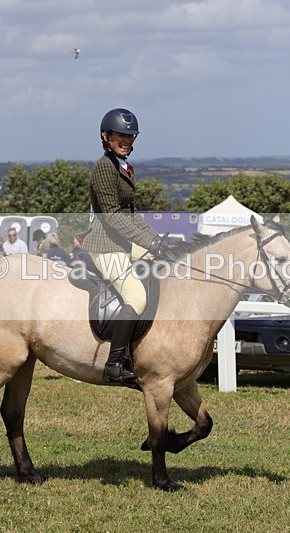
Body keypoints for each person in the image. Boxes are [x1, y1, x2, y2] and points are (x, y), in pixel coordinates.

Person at [82, 107, 178, 385]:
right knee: (136, 296)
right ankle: (114, 364)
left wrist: (157, 241)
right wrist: (147, 241)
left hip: (123, 242)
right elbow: (111, 215)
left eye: (130, 136)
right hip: (105, 245)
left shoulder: (124, 167)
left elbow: (132, 215)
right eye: (120, 136)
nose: (126, 141)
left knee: (166, 267)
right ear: (106, 137)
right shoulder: (103, 168)